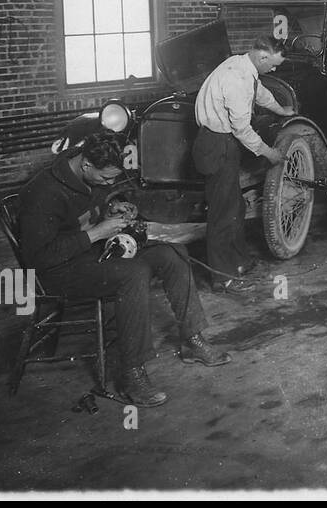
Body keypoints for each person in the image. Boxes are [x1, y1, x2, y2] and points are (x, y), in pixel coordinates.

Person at [18, 132, 231, 407]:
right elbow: (38, 257)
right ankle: (132, 373)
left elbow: (91, 207)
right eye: (106, 178)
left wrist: (111, 210)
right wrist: (96, 233)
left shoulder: (88, 175)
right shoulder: (44, 191)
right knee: (133, 274)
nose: (109, 183)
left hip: (91, 252)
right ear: (85, 165)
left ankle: (192, 339)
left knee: (173, 253)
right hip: (59, 272)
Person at [193, 34, 295, 285]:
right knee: (222, 211)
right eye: (272, 64)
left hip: (223, 142)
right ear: (262, 56)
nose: (273, 69)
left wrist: (282, 110)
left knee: (235, 206)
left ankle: (239, 261)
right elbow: (242, 129)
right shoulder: (235, 78)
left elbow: (260, 94)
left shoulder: (244, 67)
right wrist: (269, 152)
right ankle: (222, 277)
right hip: (217, 144)